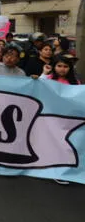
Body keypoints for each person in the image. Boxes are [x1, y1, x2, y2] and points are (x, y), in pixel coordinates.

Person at [39, 55, 81, 185]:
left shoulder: (76, 83)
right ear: (54, 66)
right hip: (50, 116)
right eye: (59, 66)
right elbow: (39, 87)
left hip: (67, 118)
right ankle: (53, 170)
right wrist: (44, 73)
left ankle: (61, 170)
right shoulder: (49, 79)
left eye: (66, 66)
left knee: (66, 145)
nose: (62, 69)